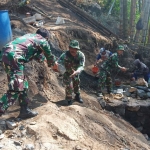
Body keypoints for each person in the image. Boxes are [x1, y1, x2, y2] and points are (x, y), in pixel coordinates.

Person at [0, 28, 56, 118]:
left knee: (23, 83)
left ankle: (24, 110)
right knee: (16, 88)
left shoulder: (30, 38)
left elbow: (37, 56)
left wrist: (43, 59)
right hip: (14, 57)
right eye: (47, 39)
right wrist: (53, 64)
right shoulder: (42, 40)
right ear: (46, 38)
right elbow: (49, 56)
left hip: (5, 56)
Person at [57, 40, 85, 105]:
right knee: (69, 85)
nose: (73, 50)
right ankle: (69, 99)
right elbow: (58, 62)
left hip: (76, 72)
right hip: (67, 73)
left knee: (76, 83)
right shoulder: (65, 55)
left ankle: (77, 96)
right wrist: (57, 67)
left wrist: (77, 71)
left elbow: (82, 66)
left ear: (77, 49)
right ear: (69, 48)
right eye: (71, 48)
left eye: (75, 49)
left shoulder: (81, 55)